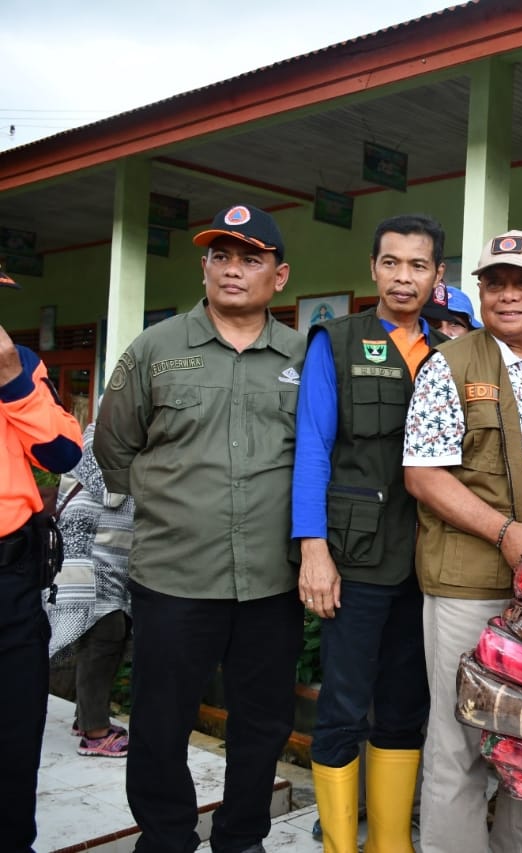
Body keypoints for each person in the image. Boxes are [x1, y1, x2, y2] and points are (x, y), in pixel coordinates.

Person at [95, 203, 306, 853]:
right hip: (174, 575)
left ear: (279, 276)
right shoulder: (155, 349)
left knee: (263, 723)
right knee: (160, 723)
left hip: (271, 580)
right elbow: (113, 446)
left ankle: (241, 838)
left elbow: (320, 454)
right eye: (220, 256)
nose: (232, 269)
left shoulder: (303, 356)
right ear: (205, 268)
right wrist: (175, 505)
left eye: (250, 258)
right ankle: (166, 839)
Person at [403, 229, 522, 853]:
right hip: (469, 585)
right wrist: (505, 532)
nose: (508, 295)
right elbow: (423, 475)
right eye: (495, 283)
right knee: (459, 739)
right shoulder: (450, 365)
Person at [293, 214, 447, 853]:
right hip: (353, 556)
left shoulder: (450, 354)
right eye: (391, 263)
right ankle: (338, 843)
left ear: (437, 276)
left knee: (405, 708)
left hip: (427, 561)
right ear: (374, 269)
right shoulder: (337, 341)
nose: (403, 277)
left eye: (418, 265)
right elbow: (313, 446)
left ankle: (390, 841)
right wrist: (313, 549)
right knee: (343, 707)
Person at [0, 296, 83, 851]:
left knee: (14, 733)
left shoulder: (20, 364)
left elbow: (63, 453)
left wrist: (11, 377)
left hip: (10, 581)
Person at [49, 422, 135, 758]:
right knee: (104, 636)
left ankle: (85, 718)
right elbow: (112, 493)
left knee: (111, 636)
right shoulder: (91, 441)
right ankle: (95, 732)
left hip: (112, 562)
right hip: (86, 559)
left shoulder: (126, 445)